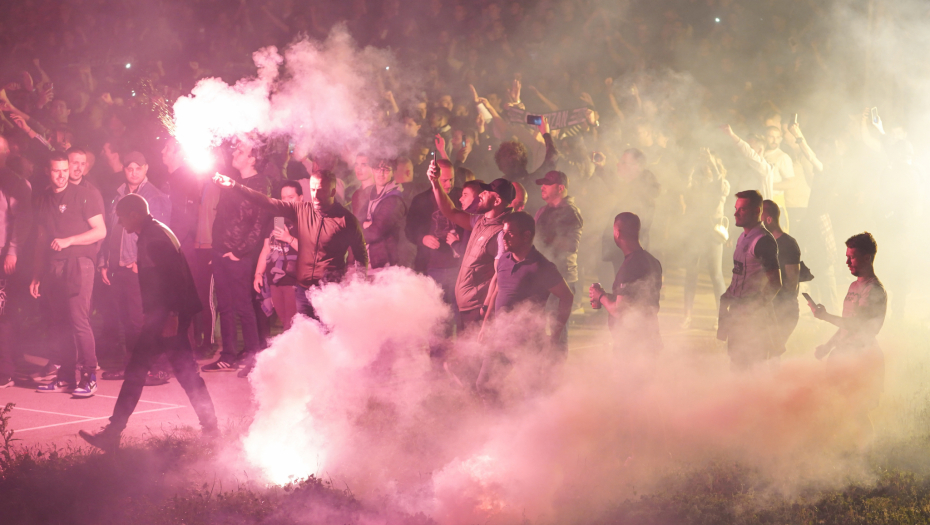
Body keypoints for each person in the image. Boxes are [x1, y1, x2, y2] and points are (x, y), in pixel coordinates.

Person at [79, 194, 218, 452]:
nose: (120, 223)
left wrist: (172, 317)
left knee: (146, 371)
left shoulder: (153, 239)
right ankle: (211, 429)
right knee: (179, 372)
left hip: (165, 316)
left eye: (121, 217)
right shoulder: (156, 232)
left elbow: (174, 280)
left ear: (134, 214)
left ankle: (114, 432)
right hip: (165, 314)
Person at [212, 170, 368, 324]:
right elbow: (266, 201)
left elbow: (361, 255)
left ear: (333, 191)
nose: (316, 195)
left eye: (321, 190)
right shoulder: (303, 210)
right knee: (303, 337)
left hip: (329, 291)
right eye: (313, 190)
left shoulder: (347, 220)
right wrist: (234, 185)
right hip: (303, 290)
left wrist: (358, 286)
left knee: (327, 339)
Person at [33, 152, 107, 396]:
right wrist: (36, 274)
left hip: (79, 264)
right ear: (48, 171)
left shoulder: (84, 194)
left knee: (78, 320)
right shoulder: (43, 198)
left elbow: (100, 231)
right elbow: (41, 238)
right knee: (59, 323)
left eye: (65, 169)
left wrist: (69, 241)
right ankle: (65, 376)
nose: (62, 174)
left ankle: (90, 376)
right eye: (57, 170)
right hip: (54, 267)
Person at [98, 152, 171, 381]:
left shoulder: (154, 196)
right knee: (127, 321)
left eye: (138, 168)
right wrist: (104, 261)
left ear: (146, 168)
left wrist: (143, 263)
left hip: (139, 268)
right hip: (118, 266)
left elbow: (159, 234)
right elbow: (111, 230)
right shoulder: (119, 194)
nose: (133, 172)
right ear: (124, 169)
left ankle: (158, 368)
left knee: (144, 321)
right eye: (129, 167)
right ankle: (132, 366)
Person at [809, 232, 886, 448]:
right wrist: (828, 346)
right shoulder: (854, 286)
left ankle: (866, 455)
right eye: (846, 256)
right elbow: (847, 324)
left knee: (857, 410)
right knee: (835, 405)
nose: (846, 262)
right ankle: (839, 450)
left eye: (851, 257)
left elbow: (857, 325)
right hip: (843, 355)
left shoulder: (874, 290)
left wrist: (825, 317)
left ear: (867, 258)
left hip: (862, 359)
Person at [203, 142, 270, 372]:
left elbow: (258, 223)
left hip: (240, 254)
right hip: (221, 251)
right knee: (224, 306)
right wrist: (217, 248)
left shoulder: (261, 183)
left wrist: (241, 251)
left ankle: (252, 355)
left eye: (241, 151)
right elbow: (222, 217)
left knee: (243, 305)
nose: (234, 153)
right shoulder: (231, 181)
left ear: (252, 159)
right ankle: (228, 355)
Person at [429, 160, 514, 332]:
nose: (481, 194)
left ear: (497, 200)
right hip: (467, 307)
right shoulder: (480, 221)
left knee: (475, 356)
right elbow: (450, 211)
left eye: (487, 192)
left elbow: (500, 279)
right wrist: (435, 183)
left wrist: (486, 314)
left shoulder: (500, 233)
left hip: (478, 310)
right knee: (466, 356)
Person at [717, 190, 782, 370]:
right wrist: (727, 296)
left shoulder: (763, 241)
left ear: (756, 212)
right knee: (736, 363)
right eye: (736, 208)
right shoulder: (742, 237)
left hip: (753, 319)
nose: (735, 213)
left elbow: (776, 283)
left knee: (752, 368)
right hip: (738, 313)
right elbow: (739, 273)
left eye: (742, 210)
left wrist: (752, 309)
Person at [589, 212, 663, 354]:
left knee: (626, 377)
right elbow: (637, 299)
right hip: (651, 339)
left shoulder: (629, 267)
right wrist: (610, 297)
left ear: (618, 233)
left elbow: (620, 310)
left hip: (632, 346)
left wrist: (600, 297)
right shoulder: (653, 261)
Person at [533, 170, 583, 349]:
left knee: (557, 329)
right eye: (542, 184)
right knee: (536, 325)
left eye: (547, 184)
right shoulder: (542, 211)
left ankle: (557, 371)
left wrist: (546, 239)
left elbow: (572, 244)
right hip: (540, 276)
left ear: (560, 188)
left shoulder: (571, 212)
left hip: (561, 277)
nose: (542, 187)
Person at [681, 149, 729, 329]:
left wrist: (713, 164)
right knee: (690, 273)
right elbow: (685, 185)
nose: (707, 167)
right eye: (706, 165)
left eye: (711, 164)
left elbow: (718, 184)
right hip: (695, 230)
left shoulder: (723, 184)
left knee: (715, 274)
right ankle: (687, 316)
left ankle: (722, 317)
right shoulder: (697, 183)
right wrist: (694, 164)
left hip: (713, 231)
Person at [0, 136, 32, 388]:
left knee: (3, 312)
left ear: (8, 153)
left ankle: (6, 370)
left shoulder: (13, 181)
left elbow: (21, 220)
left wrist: (12, 251)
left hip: (2, 253)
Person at [253, 181, 301, 334]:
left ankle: (292, 356)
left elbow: (312, 251)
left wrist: (288, 238)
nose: (286, 201)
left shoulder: (306, 220)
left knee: (292, 324)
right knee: (284, 322)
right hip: (275, 279)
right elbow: (266, 248)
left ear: (301, 198)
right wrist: (258, 274)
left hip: (294, 280)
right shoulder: (277, 220)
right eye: (283, 198)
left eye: (291, 197)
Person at [762, 199, 801, 349]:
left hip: (782, 312)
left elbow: (791, 285)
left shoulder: (788, 244)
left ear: (769, 220)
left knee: (770, 354)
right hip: (766, 311)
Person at [362, 158, 408, 269]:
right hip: (370, 259)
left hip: (385, 262)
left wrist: (355, 236)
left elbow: (376, 232)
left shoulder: (394, 199)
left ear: (393, 172)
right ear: (372, 170)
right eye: (378, 169)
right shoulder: (368, 193)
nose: (381, 173)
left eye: (386, 170)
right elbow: (356, 221)